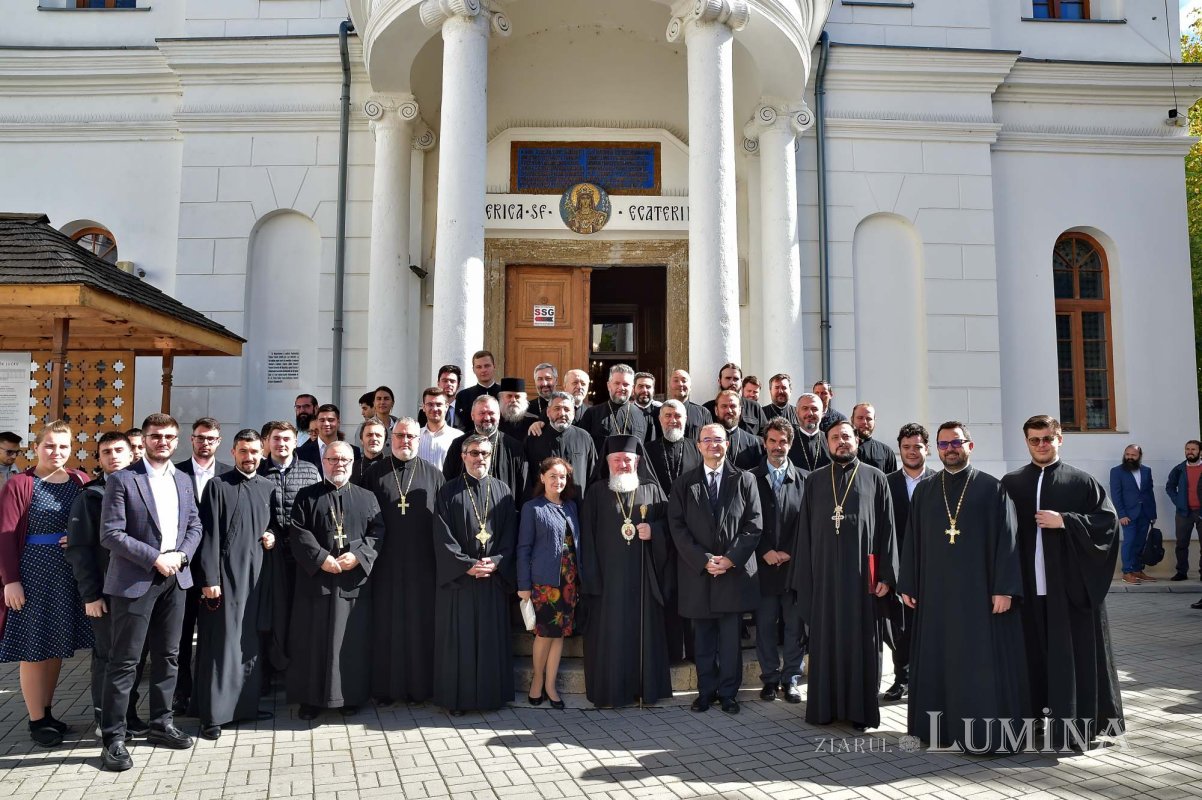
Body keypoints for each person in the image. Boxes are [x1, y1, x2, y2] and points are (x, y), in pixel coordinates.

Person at [898, 422, 1029, 753]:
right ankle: (938, 730)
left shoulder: (992, 488)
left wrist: (1005, 588)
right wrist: (908, 582)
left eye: (956, 442)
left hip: (979, 596)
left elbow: (1008, 541)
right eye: (943, 445)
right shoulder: (927, 490)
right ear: (937, 450)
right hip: (936, 595)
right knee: (939, 659)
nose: (950, 449)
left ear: (970, 446)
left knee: (978, 662)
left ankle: (982, 732)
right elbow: (912, 540)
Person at [1001, 414, 1125, 749]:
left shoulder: (1081, 482)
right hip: (1027, 590)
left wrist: (1066, 522)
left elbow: (1109, 525)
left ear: (1060, 439)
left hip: (1068, 591)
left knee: (1072, 657)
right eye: (1034, 440)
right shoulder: (1011, 484)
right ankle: (1033, 723)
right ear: (1026, 441)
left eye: (1047, 438)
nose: (1041, 445)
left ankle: (1077, 725)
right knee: (1032, 658)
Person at [98, 413, 203, 771]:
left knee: (170, 655)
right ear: (143, 440)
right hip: (135, 581)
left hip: (176, 580)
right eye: (156, 436)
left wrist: (181, 555)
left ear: (177, 441)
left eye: (170, 436)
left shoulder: (184, 480)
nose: (163, 442)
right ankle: (113, 736)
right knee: (125, 661)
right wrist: (156, 558)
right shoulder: (123, 480)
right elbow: (111, 533)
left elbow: (194, 524)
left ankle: (161, 722)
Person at [792, 420, 896, 731]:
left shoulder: (876, 478)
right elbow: (804, 535)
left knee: (861, 642)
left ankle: (860, 711)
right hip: (824, 579)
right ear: (827, 444)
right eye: (835, 437)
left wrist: (887, 577)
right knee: (825, 642)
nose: (841, 442)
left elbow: (888, 531)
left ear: (857, 440)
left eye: (846, 436)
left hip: (862, 580)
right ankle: (824, 708)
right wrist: (805, 579)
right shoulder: (815, 480)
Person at [0, 421, 92, 746]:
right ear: (36, 447)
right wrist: (10, 581)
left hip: (68, 575)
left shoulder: (80, 481)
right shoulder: (20, 484)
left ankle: (48, 711)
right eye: (50, 445)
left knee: (55, 646)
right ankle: (36, 720)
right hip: (33, 574)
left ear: (72, 449)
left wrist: (81, 538)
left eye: (63, 446)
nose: (57, 452)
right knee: (34, 648)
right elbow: (6, 536)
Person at [668, 423, 763, 715]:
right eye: (707, 440)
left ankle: (729, 694)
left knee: (731, 641)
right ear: (698, 446)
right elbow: (677, 526)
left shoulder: (745, 479)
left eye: (718, 440)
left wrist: (730, 559)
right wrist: (704, 560)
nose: (713, 445)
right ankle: (706, 692)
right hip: (699, 574)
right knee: (704, 639)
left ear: (728, 444)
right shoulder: (685, 483)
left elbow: (754, 523)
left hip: (733, 574)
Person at [191, 429, 277, 740]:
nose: (250, 457)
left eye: (255, 452)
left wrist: (272, 536)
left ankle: (245, 707)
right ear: (233, 452)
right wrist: (210, 579)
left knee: (248, 643)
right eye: (244, 451)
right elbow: (209, 535)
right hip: (224, 578)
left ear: (261, 453)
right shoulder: (217, 486)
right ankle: (213, 715)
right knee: (220, 644)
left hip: (256, 577)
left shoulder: (267, 487)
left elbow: (274, 525)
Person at [287, 441, 382, 721]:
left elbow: (377, 532)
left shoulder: (367, 497)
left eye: (344, 459)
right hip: (316, 584)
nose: (338, 464)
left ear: (352, 463)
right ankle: (310, 699)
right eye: (332, 459)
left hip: (352, 582)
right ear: (323, 461)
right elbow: (298, 531)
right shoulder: (306, 496)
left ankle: (349, 696)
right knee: (312, 641)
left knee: (350, 642)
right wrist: (320, 559)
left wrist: (358, 555)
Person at [579, 436, 673, 707]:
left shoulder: (652, 490)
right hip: (606, 582)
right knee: (611, 635)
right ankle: (611, 692)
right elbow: (586, 536)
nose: (622, 464)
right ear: (607, 462)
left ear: (638, 462)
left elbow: (670, 525)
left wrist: (654, 530)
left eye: (628, 460)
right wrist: (592, 579)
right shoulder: (597, 492)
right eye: (617, 460)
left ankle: (644, 689)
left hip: (643, 578)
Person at [66, 432, 148, 739]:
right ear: (98, 459)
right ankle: (105, 718)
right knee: (107, 655)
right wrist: (90, 594)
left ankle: (128, 713)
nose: (113, 456)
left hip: (137, 590)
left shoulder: (144, 489)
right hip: (104, 592)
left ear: (131, 455)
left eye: (119, 450)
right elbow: (79, 549)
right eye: (106, 452)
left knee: (132, 656)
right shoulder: (90, 497)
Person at [432, 434, 518, 715]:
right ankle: (459, 700)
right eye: (473, 453)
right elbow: (441, 536)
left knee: (490, 641)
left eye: (484, 453)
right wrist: (465, 564)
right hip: (461, 582)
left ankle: (492, 698)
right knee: (461, 643)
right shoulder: (448, 492)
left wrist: (495, 561)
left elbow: (510, 535)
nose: (479, 458)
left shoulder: (503, 491)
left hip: (492, 579)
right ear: (463, 456)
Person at [363, 418, 444, 705]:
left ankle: (420, 689)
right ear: (390, 438)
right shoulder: (374, 473)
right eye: (399, 436)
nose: (405, 441)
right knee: (386, 626)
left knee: (420, 626)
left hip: (423, 566)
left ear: (418, 440)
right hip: (384, 564)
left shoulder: (434, 475)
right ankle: (385, 689)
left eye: (410, 436)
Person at [173, 417, 232, 717]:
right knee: (180, 636)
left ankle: (209, 692)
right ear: (191, 440)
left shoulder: (229, 475)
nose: (205, 443)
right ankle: (180, 693)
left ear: (219, 442)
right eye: (200, 438)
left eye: (211, 438)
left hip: (217, 570)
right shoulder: (174, 472)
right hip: (182, 568)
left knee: (212, 635)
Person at [257, 421, 321, 688]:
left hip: (301, 556)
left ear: (296, 442)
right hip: (267, 556)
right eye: (275, 439)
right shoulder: (258, 471)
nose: (281, 444)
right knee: (270, 614)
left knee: (300, 613)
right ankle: (269, 670)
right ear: (266, 442)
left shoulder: (310, 470)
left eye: (286, 439)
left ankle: (297, 668)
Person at [517, 457, 582, 709]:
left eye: (562, 477)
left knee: (560, 636)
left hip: (569, 582)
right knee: (544, 635)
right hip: (544, 584)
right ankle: (537, 681)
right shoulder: (532, 508)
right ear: (542, 478)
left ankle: (551, 685)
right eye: (553, 476)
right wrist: (523, 585)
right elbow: (523, 548)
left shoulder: (571, 507)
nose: (558, 481)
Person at [751, 418, 808, 703]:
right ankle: (770, 679)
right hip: (762, 567)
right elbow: (744, 521)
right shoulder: (749, 478)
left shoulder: (807, 480)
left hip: (793, 567)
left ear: (791, 443)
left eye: (783, 441)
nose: (777, 447)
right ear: (764, 443)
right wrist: (764, 550)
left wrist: (789, 551)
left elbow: (808, 525)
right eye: (772, 441)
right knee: (764, 625)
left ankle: (792, 679)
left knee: (794, 626)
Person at [881, 423, 935, 703]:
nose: (912, 452)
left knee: (931, 627)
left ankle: (929, 680)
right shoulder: (886, 483)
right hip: (898, 568)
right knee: (900, 629)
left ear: (927, 448)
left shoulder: (940, 481)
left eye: (917, 447)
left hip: (932, 569)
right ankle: (901, 680)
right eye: (906, 447)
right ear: (899, 449)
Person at [644, 400, 701, 665]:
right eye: (667, 416)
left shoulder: (696, 448)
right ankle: (668, 652)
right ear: (659, 419)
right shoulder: (648, 450)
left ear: (686, 418)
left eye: (677, 416)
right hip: (659, 532)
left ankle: (691, 650)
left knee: (689, 592)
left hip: (691, 531)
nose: (672, 420)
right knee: (666, 591)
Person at [442, 395, 528, 502]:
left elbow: (524, 488)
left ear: (499, 415)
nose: (487, 418)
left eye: (491, 413)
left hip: (503, 512)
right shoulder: (458, 445)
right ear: (472, 416)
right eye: (482, 413)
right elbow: (447, 481)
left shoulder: (515, 448)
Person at [522, 391, 597, 500]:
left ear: (573, 413)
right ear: (548, 412)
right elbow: (526, 479)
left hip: (578, 509)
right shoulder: (534, 438)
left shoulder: (584, 438)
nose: (562, 413)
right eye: (557, 408)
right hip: (543, 508)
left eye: (567, 409)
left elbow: (593, 475)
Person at [1110, 444, 1157, 584]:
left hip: (1145, 513)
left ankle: (1137, 570)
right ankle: (1127, 571)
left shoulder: (1147, 471)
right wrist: (1122, 514)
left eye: (1133, 455)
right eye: (1127, 454)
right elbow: (1116, 495)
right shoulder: (1116, 471)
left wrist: (1153, 513)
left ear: (1139, 456)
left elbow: (1150, 493)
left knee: (1140, 543)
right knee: (1129, 542)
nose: (1129, 457)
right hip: (1128, 515)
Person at [578, 364, 650, 450]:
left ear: (632, 388)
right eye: (617, 383)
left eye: (626, 384)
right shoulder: (592, 413)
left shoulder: (642, 415)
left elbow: (646, 450)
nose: (621, 387)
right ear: (609, 385)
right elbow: (582, 447)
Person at [1165, 439, 1202, 581]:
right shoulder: (1179, 469)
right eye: (1187, 449)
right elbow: (1170, 487)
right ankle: (1181, 572)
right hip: (1183, 512)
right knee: (1181, 544)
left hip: (1201, 512)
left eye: (1193, 449)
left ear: (1200, 452)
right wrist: (1178, 501)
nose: (1190, 452)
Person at [296, 404, 360, 476]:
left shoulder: (354, 452)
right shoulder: (301, 452)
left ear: (338, 423)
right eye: (322, 420)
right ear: (317, 422)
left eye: (330, 420)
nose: (326, 424)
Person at [702, 363, 763, 437]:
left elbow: (765, 436)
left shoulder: (754, 407)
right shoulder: (706, 409)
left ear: (741, 382)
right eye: (728, 378)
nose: (732, 382)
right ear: (719, 381)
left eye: (736, 379)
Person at [711, 389, 764, 469]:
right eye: (724, 406)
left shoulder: (753, 442)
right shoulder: (706, 440)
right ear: (716, 410)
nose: (728, 410)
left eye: (733, 406)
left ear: (740, 410)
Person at [453, 350, 501, 432]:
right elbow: (460, 426)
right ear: (473, 369)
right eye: (479, 367)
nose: (483, 370)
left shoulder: (505, 393)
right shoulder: (463, 395)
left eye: (487, 366)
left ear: (494, 366)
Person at [417, 387, 463, 471]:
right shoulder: (415, 436)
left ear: (446, 407)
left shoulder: (458, 437)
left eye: (439, 404)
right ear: (423, 407)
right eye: (430, 404)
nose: (434, 409)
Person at [850, 403, 898, 474]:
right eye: (860, 418)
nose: (864, 422)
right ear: (852, 419)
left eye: (869, 419)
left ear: (874, 421)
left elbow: (891, 482)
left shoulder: (886, 452)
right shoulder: (842, 450)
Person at [666, 369, 713, 439]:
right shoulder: (660, 412)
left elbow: (709, 439)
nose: (680, 384)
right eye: (676, 381)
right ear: (669, 386)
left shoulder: (703, 413)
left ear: (690, 387)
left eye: (684, 381)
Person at [789, 393, 830, 472]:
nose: (810, 413)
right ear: (797, 413)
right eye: (805, 408)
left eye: (814, 409)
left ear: (822, 414)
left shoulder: (830, 440)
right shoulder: (787, 441)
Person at [351, 419, 387, 486]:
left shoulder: (392, 467)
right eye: (369, 435)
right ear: (361, 440)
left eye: (378, 435)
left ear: (384, 440)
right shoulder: (351, 468)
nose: (374, 438)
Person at [632, 371, 661, 441]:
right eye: (640, 386)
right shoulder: (626, 411)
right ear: (633, 389)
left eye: (648, 387)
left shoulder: (661, 409)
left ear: (653, 390)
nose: (644, 390)